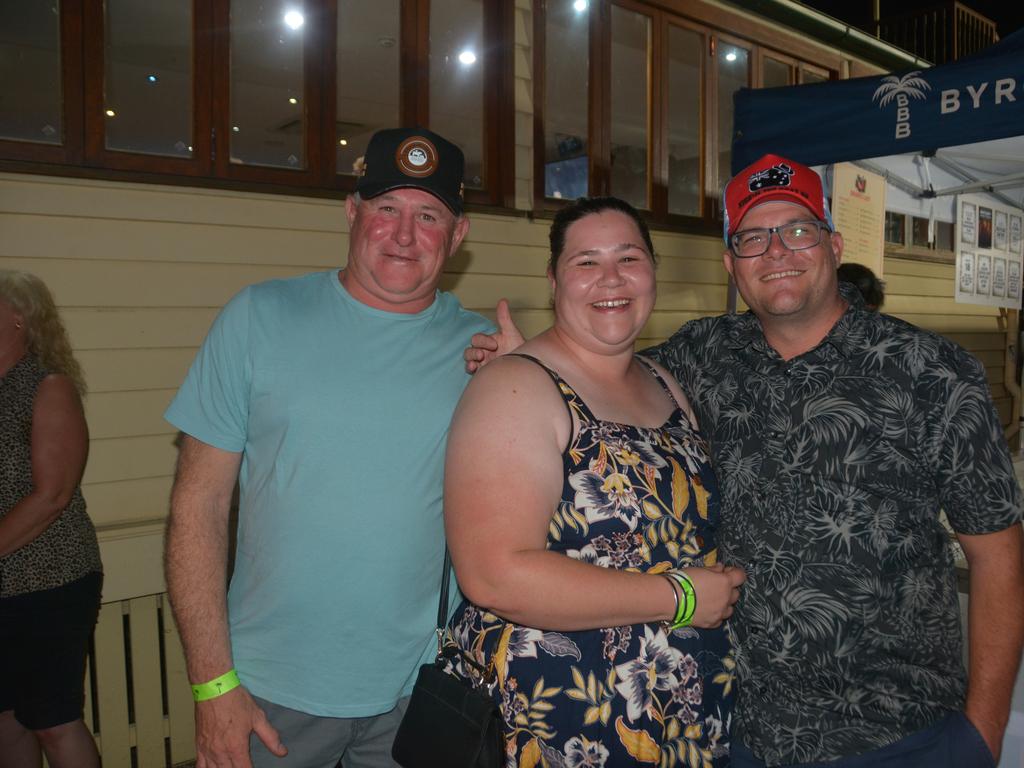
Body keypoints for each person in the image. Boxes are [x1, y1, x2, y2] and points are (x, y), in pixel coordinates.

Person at [467, 155, 1024, 767]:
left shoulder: (934, 372)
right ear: (731, 265)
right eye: (753, 239)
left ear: (833, 244)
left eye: (798, 230)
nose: (777, 252)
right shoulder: (701, 357)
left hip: (900, 733)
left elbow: (997, 552)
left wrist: (982, 733)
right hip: (739, 730)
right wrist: (531, 364)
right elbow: (598, 363)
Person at [163, 127, 494, 768]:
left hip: (421, 690)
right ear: (351, 211)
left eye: (429, 216)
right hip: (269, 690)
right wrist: (213, 685)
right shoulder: (258, 317)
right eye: (385, 209)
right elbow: (197, 508)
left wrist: (528, 384)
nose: (404, 235)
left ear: (457, 237)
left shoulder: (485, 350)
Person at [444, 196, 746, 766]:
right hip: (567, 717)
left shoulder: (664, 380)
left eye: (629, 257)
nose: (611, 277)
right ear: (555, 281)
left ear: (653, 272)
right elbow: (493, 576)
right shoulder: (514, 387)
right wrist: (682, 597)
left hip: (678, 713)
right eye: (586, 261)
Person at [0, 270, 103, 768]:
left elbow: (52, 495)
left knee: (52, 720)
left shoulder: (48, 385)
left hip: (48, 585)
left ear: (19, 317)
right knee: (4, 719)